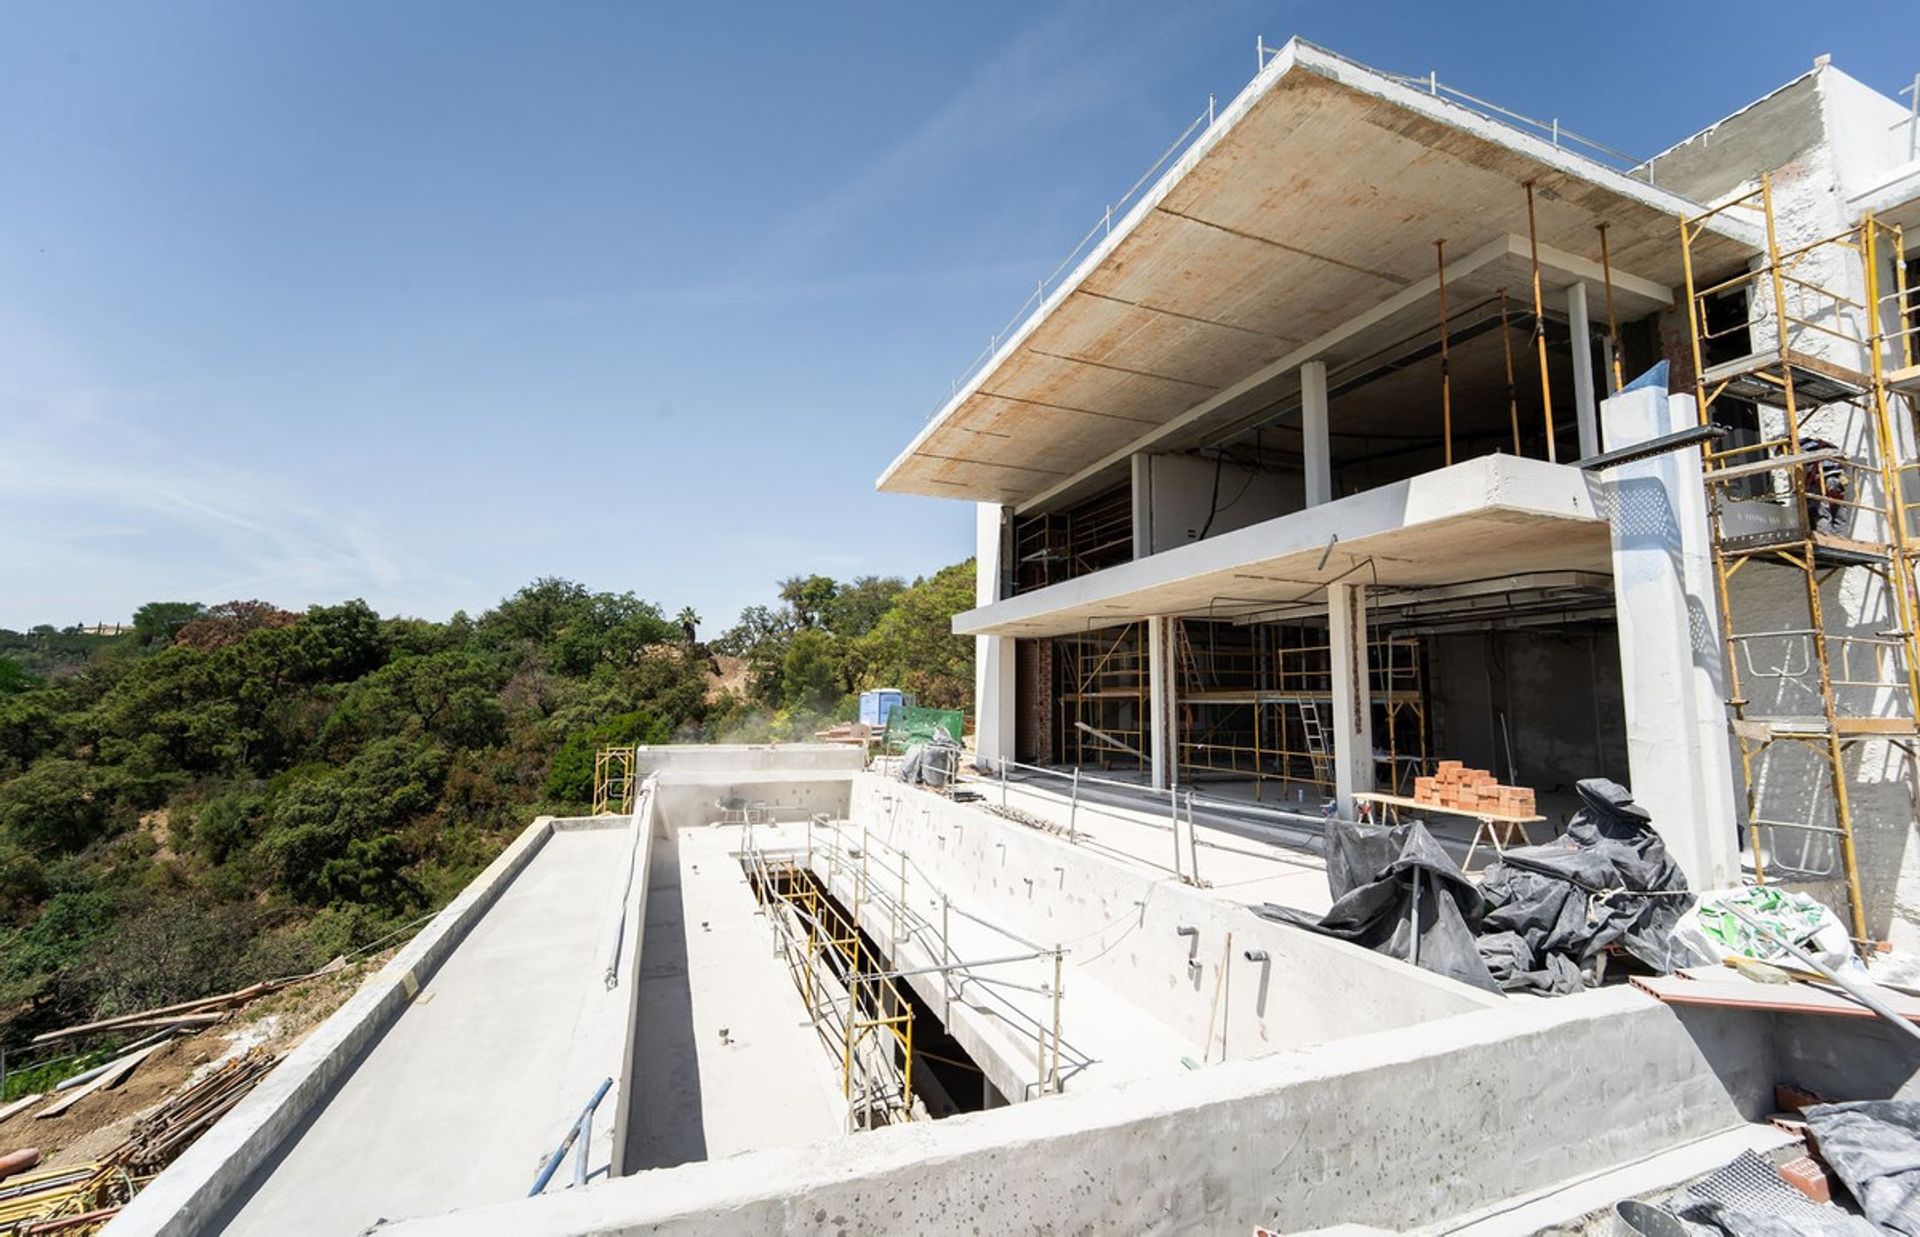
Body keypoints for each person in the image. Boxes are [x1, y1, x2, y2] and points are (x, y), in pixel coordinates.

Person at [1798, 435, 1847, 535]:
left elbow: (1802, 469)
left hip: (1822, 480)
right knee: (1838, 509)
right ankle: (1842, 537)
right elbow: (1844, 460)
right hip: (1837, 479)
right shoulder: (1825, 445)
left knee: (1822, 512)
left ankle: (1826, 538)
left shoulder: (1799, 447)